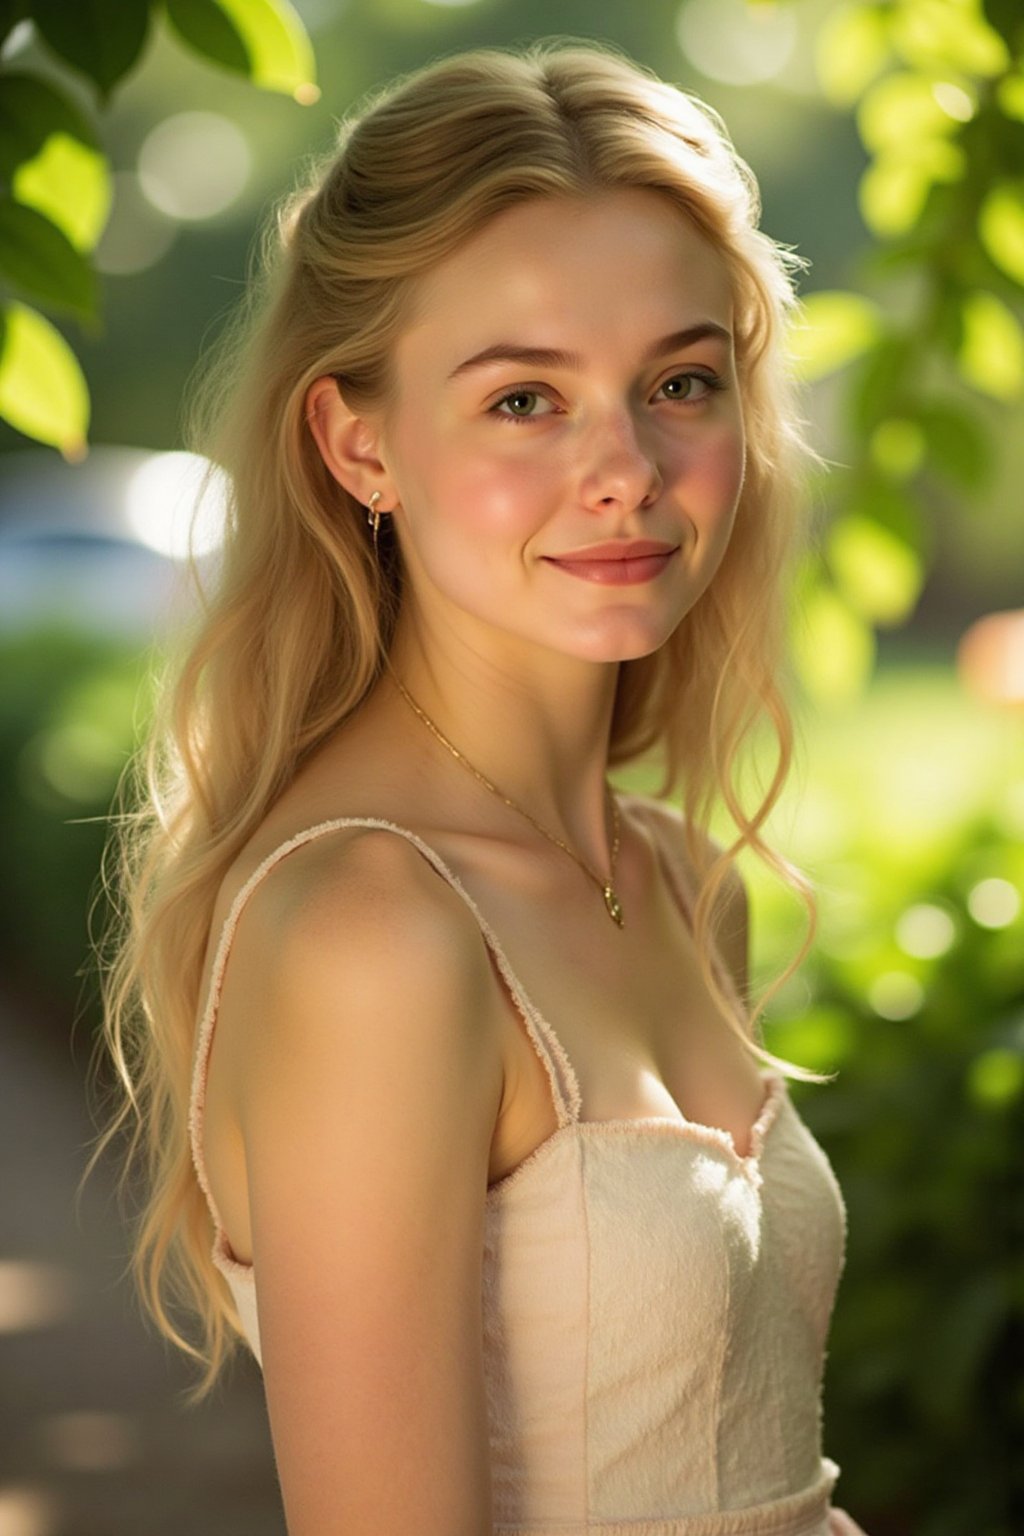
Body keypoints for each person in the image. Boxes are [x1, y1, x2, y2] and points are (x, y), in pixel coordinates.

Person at [95, 39, 870, 1536]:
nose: (630, 468)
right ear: (359, 441)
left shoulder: (667, 878)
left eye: (681, 381)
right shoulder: (374, 929)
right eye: (526, 399)